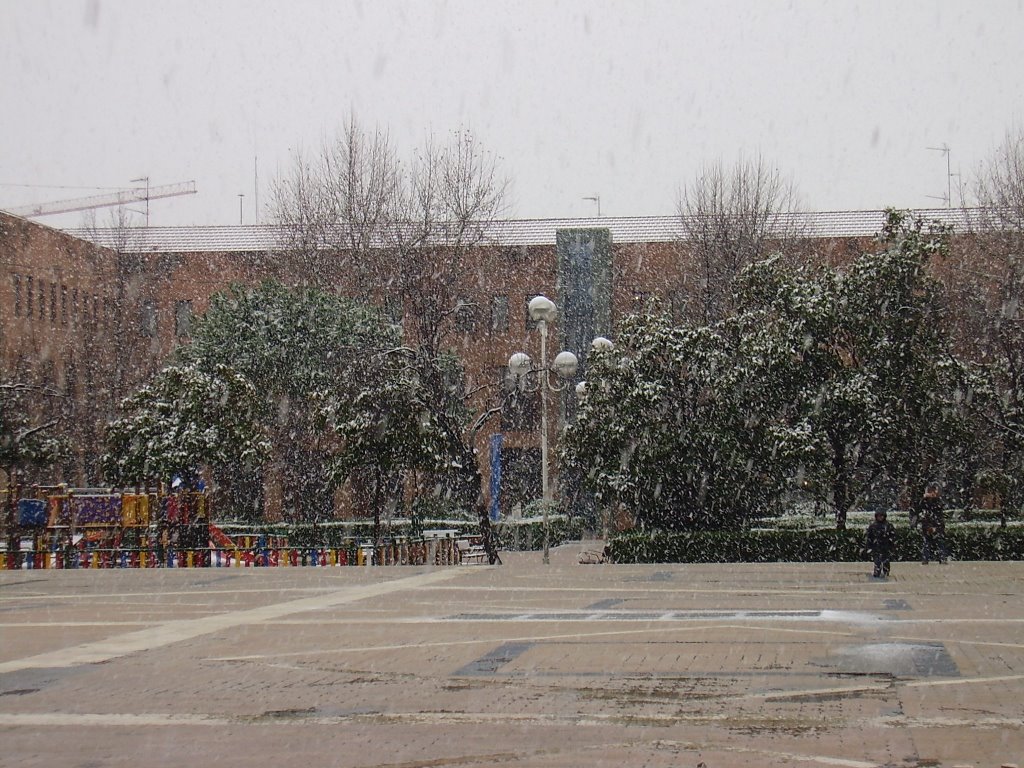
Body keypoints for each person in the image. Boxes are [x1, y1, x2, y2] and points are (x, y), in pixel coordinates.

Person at [918, 482, 948, 564]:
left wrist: (936, 527)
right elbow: (921, 513)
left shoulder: (938, 502)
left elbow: (940, 514)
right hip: (927, 525)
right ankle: (925, 559)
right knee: (927, 543)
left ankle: (942, 558)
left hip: (937, 525)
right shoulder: (924, 502)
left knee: (939, 542)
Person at [865, 509, 896, 578]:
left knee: (886, 559)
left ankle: (886, 570)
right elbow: (869, 536)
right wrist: (869, 545)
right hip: (876, 546)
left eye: (881, 516)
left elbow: (893, 535)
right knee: (877, 560)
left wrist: (891, 543)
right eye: (879, 516)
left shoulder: (888, 525)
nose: (880, 518)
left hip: (885, 545)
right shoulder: (873, 526)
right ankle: (877, 571)